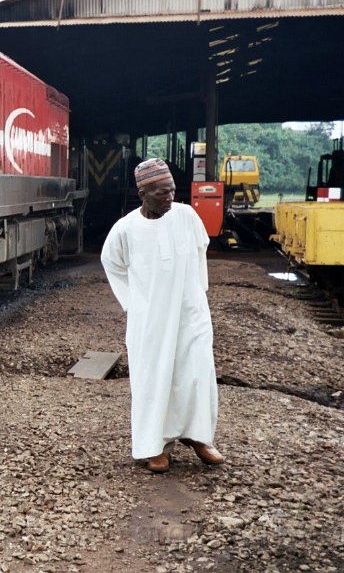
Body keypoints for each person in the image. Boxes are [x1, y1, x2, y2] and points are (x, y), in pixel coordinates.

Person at [100, 158, 224, 473]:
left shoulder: (187, 216)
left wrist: (196, 291)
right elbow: (111, 263)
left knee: (197, 374)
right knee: (153, 380)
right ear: (143, 194)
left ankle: (199, 437)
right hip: (150, 321)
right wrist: (135, 303)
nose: (170, 197)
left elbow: (201, 249)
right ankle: (156, 447)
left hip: (190, 314)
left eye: (171, 190)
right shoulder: (126, 228)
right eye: (161, 193)